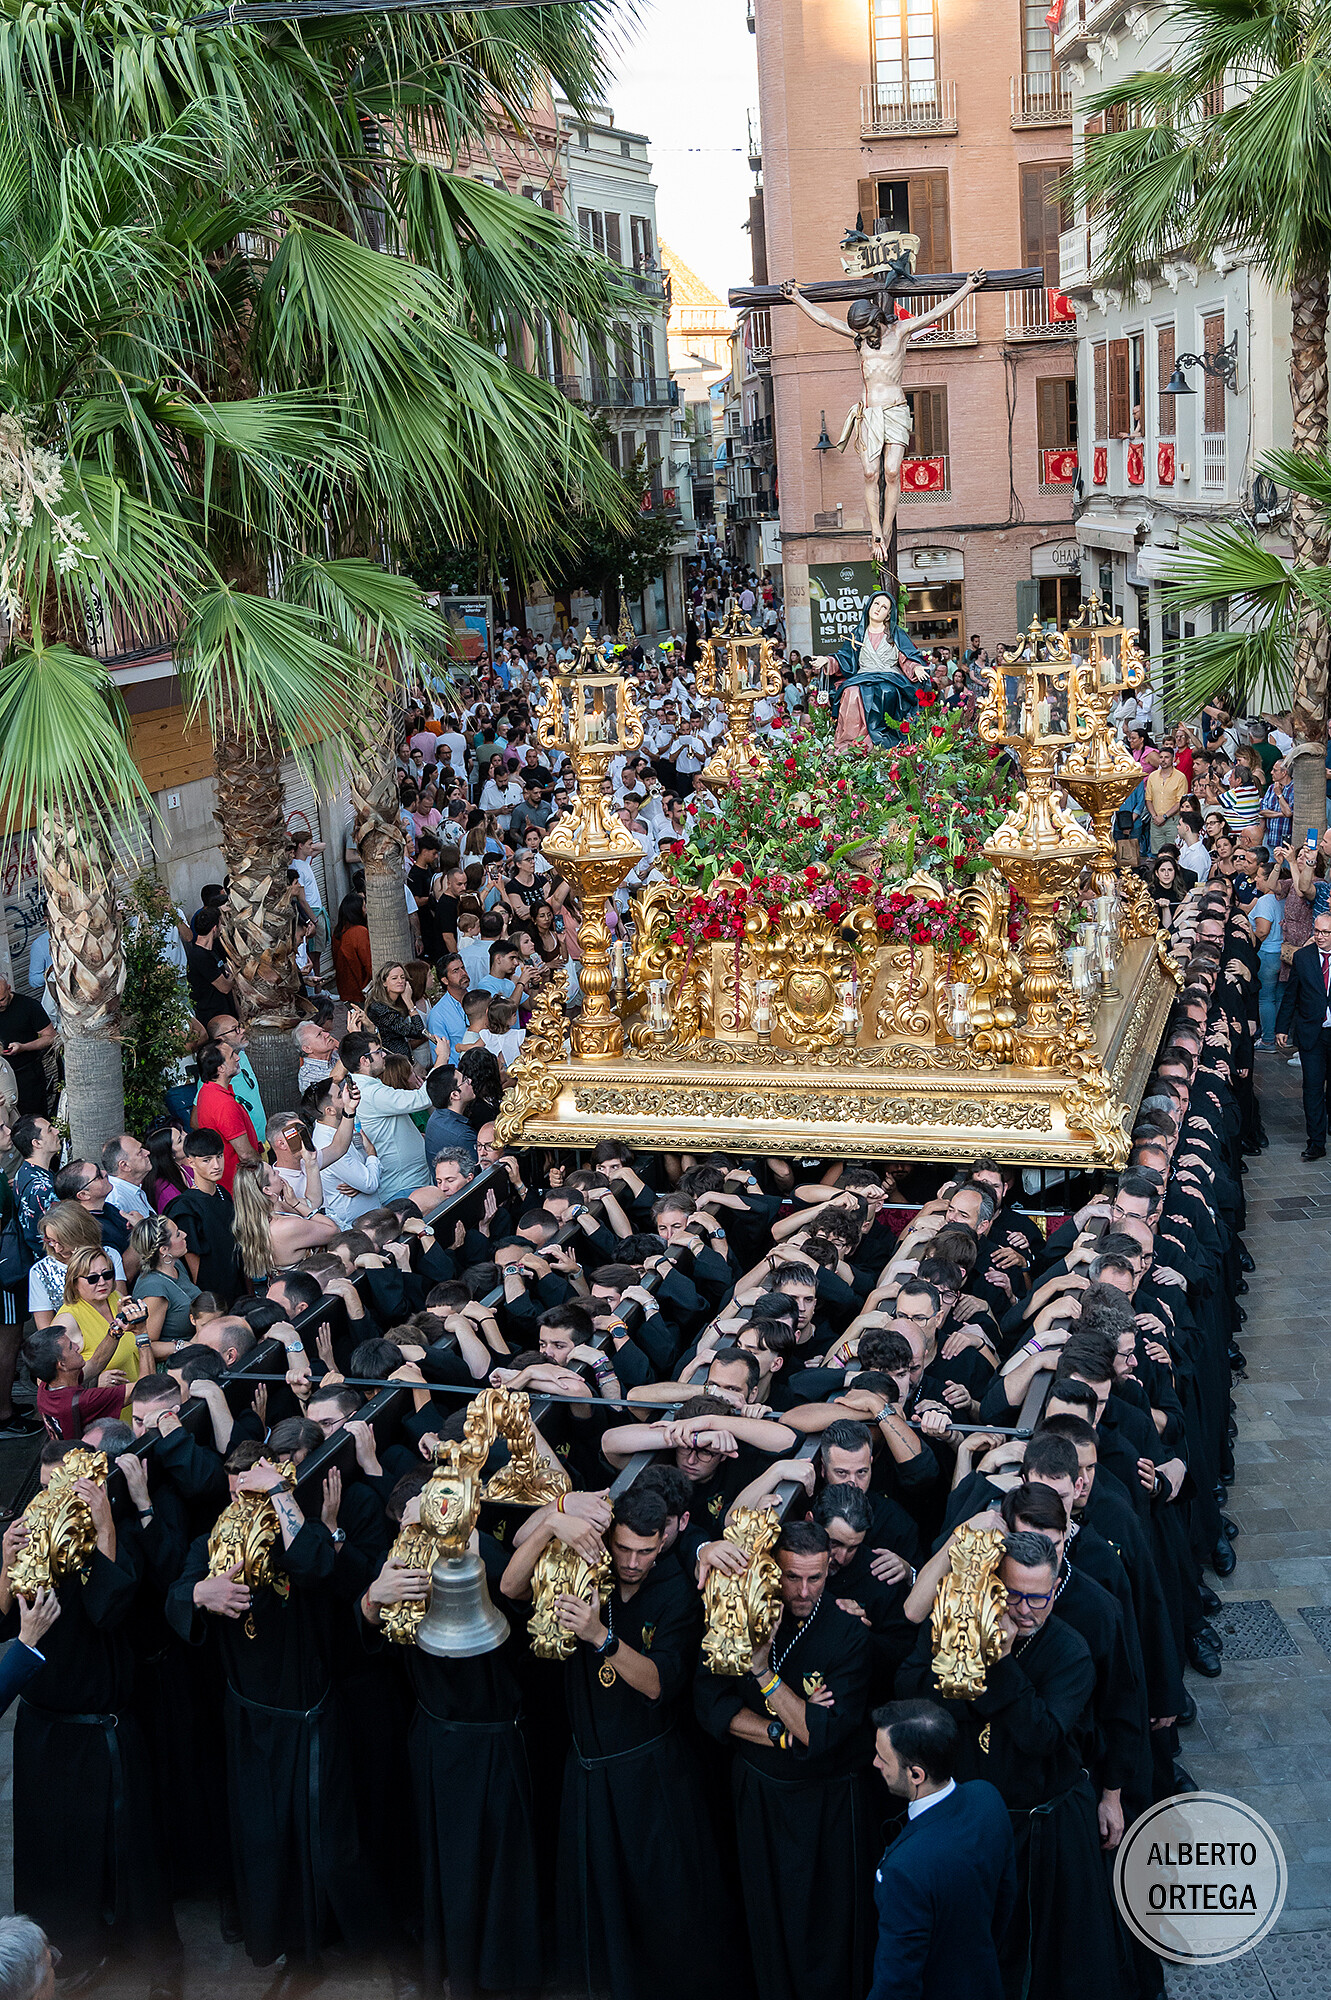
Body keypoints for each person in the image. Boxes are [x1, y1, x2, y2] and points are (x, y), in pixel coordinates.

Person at [502, 1485, 738, 2000]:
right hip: (587, 1769)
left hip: (650, 1775)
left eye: (645, 1552)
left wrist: (599, 1636)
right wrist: (551, 1522)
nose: (632, 1562)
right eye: (623, 1549)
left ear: (664, 1543)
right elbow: (512, 1587)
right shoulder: (587, 1566)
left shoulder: (678, 1591)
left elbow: (658, 1682)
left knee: (660, 1903)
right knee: (592, 1900)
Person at [694, 1518, 875, 2000]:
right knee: (765, 1915)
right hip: (759, 1795)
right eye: (792, 1576)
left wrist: (763, 1674)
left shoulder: (847, 1633)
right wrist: (779, 1730)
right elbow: (711, 1706)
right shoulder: (737, 1612)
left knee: (827, 1926)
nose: (803, 1590)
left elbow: (821, 1735)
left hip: (827, 1806)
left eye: (815, 1578)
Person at [783, 272, 986, 562]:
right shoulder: (859, 337)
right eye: (861, 334)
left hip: (895, 409)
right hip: (869, 413)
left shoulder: (900, 331)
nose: (864, 337)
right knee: (870, 473)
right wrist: (797, 298)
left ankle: (887, 533)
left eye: (867, 331)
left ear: (876, 320)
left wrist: (967, 287)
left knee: (892, 472)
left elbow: (937, 311)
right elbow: (825, 319)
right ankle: (875, 533)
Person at [867, 1699, 1016, 2000]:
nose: (875, 1763)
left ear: (916, 1775)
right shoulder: (987, 1798)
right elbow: (1005, 1901)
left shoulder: (904, 1870)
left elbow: (896, 1984)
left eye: (883, 1757)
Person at [1275, 907, 1331, 1157]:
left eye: (1326, 932)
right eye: (1317, 931)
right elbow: (1291, 995)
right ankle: (1316, 1142)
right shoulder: (1304, 957)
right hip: (1312, 1034)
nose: (1320, 936)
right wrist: (1281, 1027)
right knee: (1312, 1087)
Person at [192, 1041, 260, 1193]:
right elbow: (246, 1154)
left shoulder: (206, 1091)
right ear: (220, 1068)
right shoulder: (224, 1104)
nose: (237, 1058)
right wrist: (263, 1175)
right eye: (231, 1056)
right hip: (240, 1187)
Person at [130, 1214, 201, 1357]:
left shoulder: (177, 1266)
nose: (185, 1235)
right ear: (164, 1250)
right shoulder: (154, 1289)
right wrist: (186, 1346)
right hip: (179, 1363)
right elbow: (146, 1345)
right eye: (177, 1234)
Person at [0, 978, 54, 1116]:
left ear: (9, 989)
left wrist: (23, 1047)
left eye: (2, 1000)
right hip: (2, 1078)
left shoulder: (28, 1006)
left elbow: (50, 1037)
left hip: (27, 1075)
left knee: (34, 1118)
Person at [332, 893, 372, 1002]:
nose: (366, 910)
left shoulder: (338, 931)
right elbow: (368, 964)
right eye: (364, 907)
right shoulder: (359, 932)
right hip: (361, 989)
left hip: (345, 989)